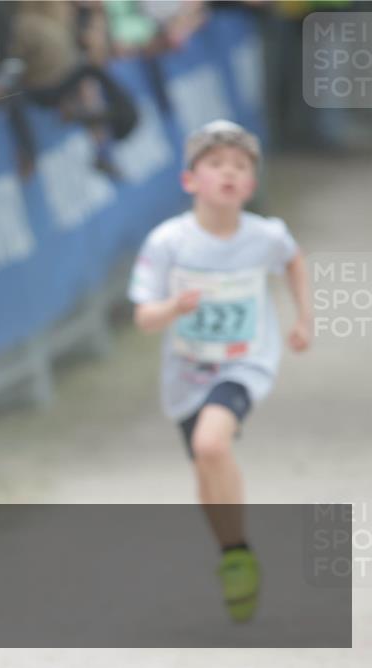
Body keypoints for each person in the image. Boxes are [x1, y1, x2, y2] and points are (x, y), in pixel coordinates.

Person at [128, 120, 312, 623]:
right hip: (186, 373)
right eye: (216, 164)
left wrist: (304, 319)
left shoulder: (266, 235)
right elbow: (144, 316)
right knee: (206, 470)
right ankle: (235, 554)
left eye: (240, 166)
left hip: (246, 362)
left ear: (250, 185)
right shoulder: (168, 241)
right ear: (191, 180)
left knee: (213, 445)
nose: (229, 173)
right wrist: (173, 308)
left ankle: (237, 554)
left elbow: (293, 261)